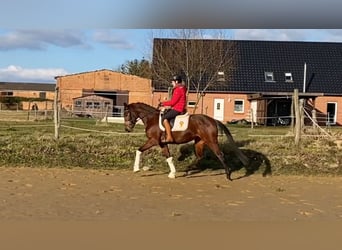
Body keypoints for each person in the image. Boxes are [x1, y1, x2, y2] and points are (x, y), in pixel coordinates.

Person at [159, 75, 187, 143]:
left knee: (164, 118)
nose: (172, 83)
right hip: (177, 107)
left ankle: (169, 137)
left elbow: (173, 102)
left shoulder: (178, 89)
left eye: (172, 82)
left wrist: (163, 103)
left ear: (176, 81)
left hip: (178, 109)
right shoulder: (181, 88)